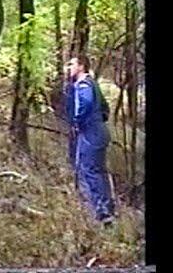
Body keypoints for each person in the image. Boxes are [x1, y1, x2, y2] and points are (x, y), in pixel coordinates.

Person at [65, 55, 115, 225]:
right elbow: (105, 108)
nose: (69, 67)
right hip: (98, 131)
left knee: (89, 171)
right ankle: (106, 211)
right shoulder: (92, 84)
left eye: (72, 64)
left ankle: (100, 214)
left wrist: (78, 121)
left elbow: (85, 104)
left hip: (90, 133)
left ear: (81, 66)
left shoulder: (84, 85)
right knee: (97, 171)